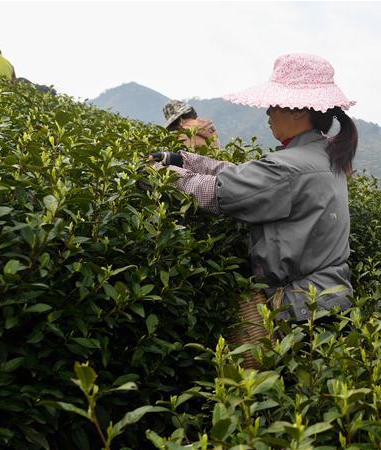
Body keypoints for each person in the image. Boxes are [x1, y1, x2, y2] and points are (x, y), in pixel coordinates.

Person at [148, 53, 358, 357]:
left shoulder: (291, 166)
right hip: (326, 303)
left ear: (299, 112)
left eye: (274, 104)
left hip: (302, 311)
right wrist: (184, 160)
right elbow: (246, 176)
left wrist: (158, 174)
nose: (268, 112)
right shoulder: (322, 154)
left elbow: (219, 191)